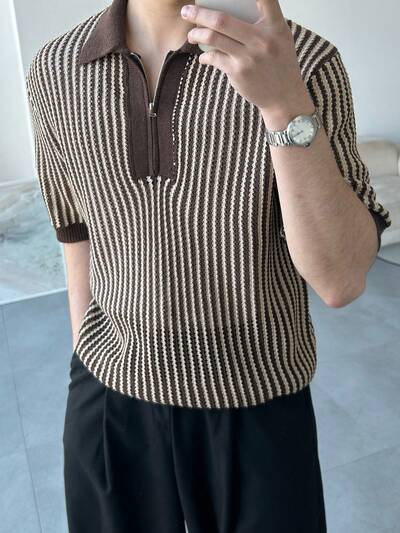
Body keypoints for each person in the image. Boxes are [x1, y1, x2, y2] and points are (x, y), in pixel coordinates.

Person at [26, 0, 391, 532]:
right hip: (109, 403)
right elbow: (76, 230)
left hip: (258, 403)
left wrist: (284, 104)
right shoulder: (57, 68)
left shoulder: (304, 62)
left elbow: (341, 279)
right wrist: (87, 355)